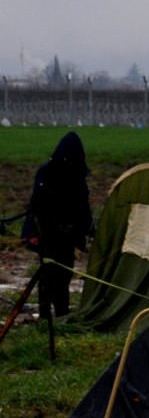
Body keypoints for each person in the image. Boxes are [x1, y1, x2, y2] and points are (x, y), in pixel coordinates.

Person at [21, 131, 92, 321]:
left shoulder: (77, 176)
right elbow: (38, 205)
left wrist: (86, 230)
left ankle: (61, 313)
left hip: (67, 235)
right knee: (48, 274)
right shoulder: (47, 173)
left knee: (64, 274)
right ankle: (45, 315)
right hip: (47, 233)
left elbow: (83, 207)